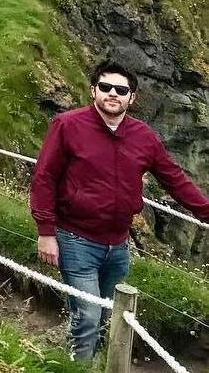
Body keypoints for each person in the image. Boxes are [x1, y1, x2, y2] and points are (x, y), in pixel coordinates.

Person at [30, 60, 209, 363]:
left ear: (132, 97)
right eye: (105, 87)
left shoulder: (143, 136)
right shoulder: (67, 125)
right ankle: (78, 367)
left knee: (102, 315)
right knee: (88, 314)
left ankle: (70, 359)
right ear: (93, 90)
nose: (113, 93)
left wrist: (206, 212)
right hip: (76, 238)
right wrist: (46, 232)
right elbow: (44, 177)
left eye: (121, 89)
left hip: (118, 244)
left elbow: (174, 179)